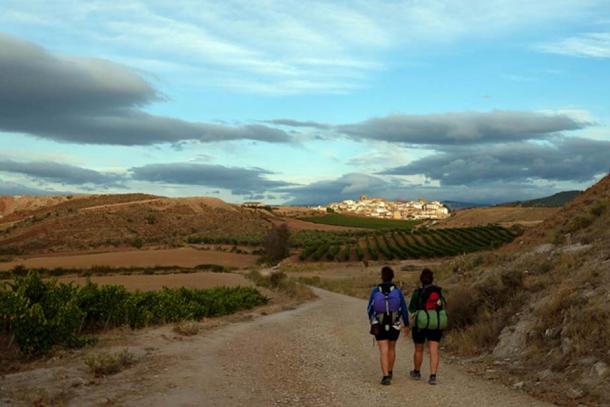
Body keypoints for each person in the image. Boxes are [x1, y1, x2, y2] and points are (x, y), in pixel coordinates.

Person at [367, 266, 409, 385]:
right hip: (394, 323)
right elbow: (404, 309)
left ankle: (385, 376)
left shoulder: (375, 291)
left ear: (382, 277)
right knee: (391, 348)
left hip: (379, 324)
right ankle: (390, 372)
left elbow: (369, 309)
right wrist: (406, 324)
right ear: (392, 277)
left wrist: (372, 321)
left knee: (383, 350)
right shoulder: (398, 291)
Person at [408, 268, 445, 385]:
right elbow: (442, 306)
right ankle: (433, 376)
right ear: (432, 279)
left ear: (421, 280)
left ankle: (417, 372)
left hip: (421, 324)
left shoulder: (417, 293)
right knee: (434, 350)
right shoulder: (438, 292)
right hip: (435, 324)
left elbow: (412, 309)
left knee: (419, 349)